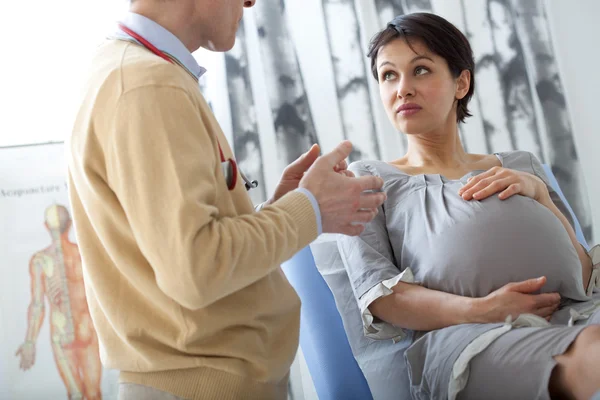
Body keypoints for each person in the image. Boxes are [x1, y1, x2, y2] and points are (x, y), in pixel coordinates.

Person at [66, 1, 387, 399]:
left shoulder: (130, 71)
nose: (251, 2)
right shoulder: (147, 85)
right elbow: (197, 268)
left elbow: (183, 251)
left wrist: (280, 209)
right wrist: (309, 208)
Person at [337, 13, 600, 400]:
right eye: (388, 75)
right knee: (591, 355)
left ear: (461, 82)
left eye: (420, 70)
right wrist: (484, 309)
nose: (402, 89)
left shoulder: (520, 164)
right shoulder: (365, 182)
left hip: (579, 315)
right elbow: (382, 298)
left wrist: (541, 196)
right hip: (468, 342)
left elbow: (581, 277)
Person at [16, 205, 102, 400]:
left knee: (78, 394)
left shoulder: (40, 260)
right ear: (70, 224)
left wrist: (30, 342)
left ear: (46, 226)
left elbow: (38, 305)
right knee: (92, 393)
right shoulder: (82, 254)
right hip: (87, 331)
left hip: (62, 335)